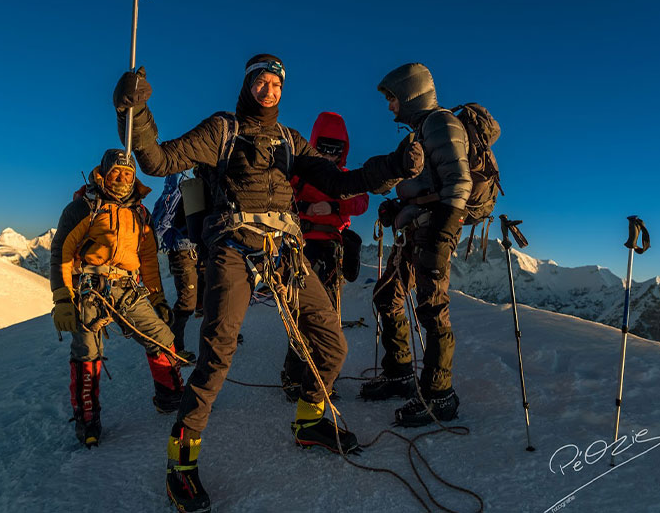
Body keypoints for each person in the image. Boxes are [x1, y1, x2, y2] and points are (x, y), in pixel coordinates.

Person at [113, 54, 423, 512]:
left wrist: (395, 165)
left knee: (332, 344)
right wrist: (135, 113)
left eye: (276, 83)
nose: (269, 89)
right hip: (232, 245)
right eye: (261, 81)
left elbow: (340, 183)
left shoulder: (290, 141)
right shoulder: (222, 129)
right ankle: (181, 465)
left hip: (284, 250)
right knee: (217, 354)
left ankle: (309, 421)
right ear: (247, 84)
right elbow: (158, 161)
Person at [359, 63, 472, 428]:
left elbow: (459, 183)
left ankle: (440, 396)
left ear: (410, 94)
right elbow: (429, 183)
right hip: (417, 230)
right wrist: (401, 206)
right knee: (386, 295)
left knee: (432, 307)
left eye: (393, 98)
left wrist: (443, 233)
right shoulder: (423, 130)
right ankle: (400, 374)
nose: (390, 107)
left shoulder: (441, 124)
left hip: (433, 232)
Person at [50, 149, 186, 448]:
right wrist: (62, 299)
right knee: (87, 350)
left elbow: (148, 258)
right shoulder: (83, 208)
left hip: (127, 288)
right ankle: (88, 421)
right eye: (116, 172)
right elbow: (61, 251)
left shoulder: (140, 213)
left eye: (128, 174)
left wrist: (158, 299)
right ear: (103, 172)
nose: (122, 178)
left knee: (161, 336)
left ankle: (171, 397)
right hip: (88, 287)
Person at [280, 112, 368, 402]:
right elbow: (282, 193)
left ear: (343, 151)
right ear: (315, 144)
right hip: (301, 249)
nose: (330, 155)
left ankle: (320, 375)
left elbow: (361, 201)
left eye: (335, 149)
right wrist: (309, 205)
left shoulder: (342, 177)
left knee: (327, 314)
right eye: (325, 148)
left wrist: (331, 208)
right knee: (301, 311)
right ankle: (296, 375)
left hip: (330, 252)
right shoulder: (301, 172)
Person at [151, 172, 204, 363]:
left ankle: (216, 340)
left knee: (208, 293)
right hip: (183, 251)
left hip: (195, 249)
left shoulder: (189, 190)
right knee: (187, 300)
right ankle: (174, 349)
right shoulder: (182, 192)